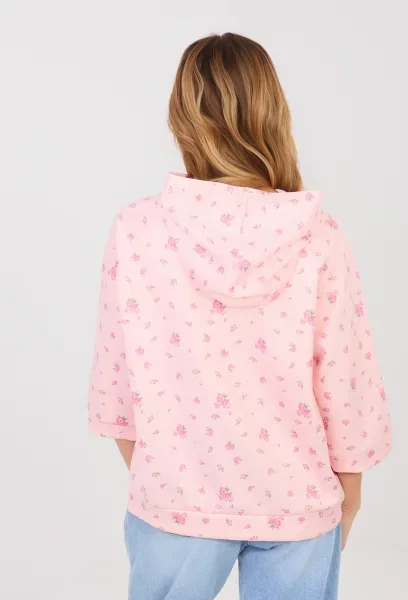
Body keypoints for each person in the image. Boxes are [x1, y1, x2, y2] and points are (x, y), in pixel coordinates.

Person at [88, 32, 391, 600]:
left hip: (175, 496)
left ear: (182, 117)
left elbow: (116, 383)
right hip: (298, 499)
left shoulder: (136, 230)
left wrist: (169, 478)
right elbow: (346, 382)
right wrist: (349, 496)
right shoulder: (319, 237)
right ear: (272, 112)